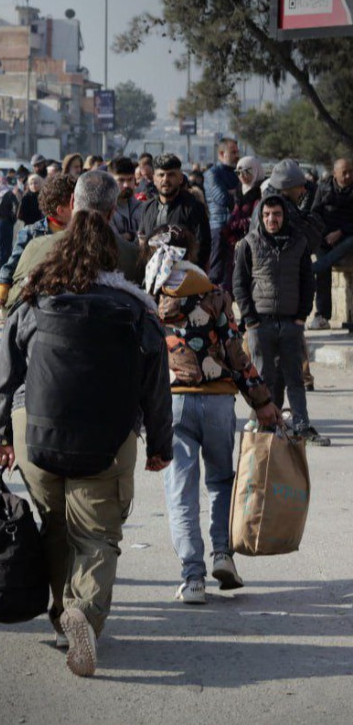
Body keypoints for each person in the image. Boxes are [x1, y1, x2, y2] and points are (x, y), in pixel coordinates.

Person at [0, 208, 173, 677]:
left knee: (54, 526)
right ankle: (84, 615)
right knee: (96, 536)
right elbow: (156, 382)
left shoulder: (31, 301)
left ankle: (60, 618)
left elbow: (6, 373)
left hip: (39, 434)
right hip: (107, 440)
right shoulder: (134, 309)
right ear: (113, 257)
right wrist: (159, 443)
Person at [144, 226, 280, 605]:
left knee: (180, 490)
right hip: (218, 401)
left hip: (172, 403)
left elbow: (142, 355)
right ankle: (223, 555)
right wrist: (262, 401)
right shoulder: (214, 294)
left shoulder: (150, 296)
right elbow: (236, 352)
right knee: (221, 480)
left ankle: (193, 578)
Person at [234, 195, 329, 445]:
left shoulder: (298, 243)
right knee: (262, 378)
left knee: (294, 377)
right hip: (260, 323)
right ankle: (265, 425)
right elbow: (239, 283)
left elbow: (308, 282)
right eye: (266, 214)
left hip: (290, 323)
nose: (271, 219)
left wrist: (301, 317)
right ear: (260, 216)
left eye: (276, 214)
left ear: (284, 215)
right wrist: (250, 319)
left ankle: (301, 425)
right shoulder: (249, 243)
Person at [12, 171, 144, 292]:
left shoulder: (36, 248)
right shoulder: (135, 257)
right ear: (112, 212)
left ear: (72, 202)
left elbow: (13, 303)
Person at [0, 173, 77, 306]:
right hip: (40, 297)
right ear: (61, 210)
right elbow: (14, 262)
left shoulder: (79, 231)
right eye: (75, 203)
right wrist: (2, 287)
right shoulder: (32, 233)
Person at [138, 153, 211, 271]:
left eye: (171, 175)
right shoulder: (147, 208)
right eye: (161, 175)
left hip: (184, 279)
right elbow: (143, 243)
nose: (165, 179)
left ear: (180, 178)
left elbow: (203, 248)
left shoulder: (194, 208)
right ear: (154, 179)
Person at [310, 158, 353, 329]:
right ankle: (322, 315)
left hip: (348, 237)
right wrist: (325, 234)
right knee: (323, 271)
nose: (349, 176)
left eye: (351, 171)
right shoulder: (324, 189)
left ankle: (317, 266)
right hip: (326, 239)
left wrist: (340, 232)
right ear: (335, 173)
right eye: (344, 172)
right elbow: (315, 214)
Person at [222, 156, 265, 295]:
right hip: (236, 240)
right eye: (238, 172)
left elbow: (256, 218)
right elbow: (235, 214)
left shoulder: (261, 191)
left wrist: (239, 223)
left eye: (246, 171)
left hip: (252, 239)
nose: (242, 176)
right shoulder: (239, 190)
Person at [203, 138, 241, 285]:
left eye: (237, 152)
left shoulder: (237, 173)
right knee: (217, 272)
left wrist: (234, 192)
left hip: (236, 227)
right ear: (221, 153)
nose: (237, 155)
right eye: (233, 152)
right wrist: (238, 193)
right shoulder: (212, 174)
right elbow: (222, 198)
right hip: (219, 227)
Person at [108, 156, 143, 240]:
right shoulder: (105, 210)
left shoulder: (142, 207)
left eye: (130, 179)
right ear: (110, 180)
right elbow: (115, 242)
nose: (126, 185)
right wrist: (134, 236)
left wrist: (129, 236)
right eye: (121, 180)